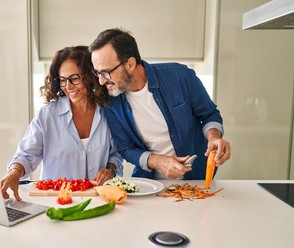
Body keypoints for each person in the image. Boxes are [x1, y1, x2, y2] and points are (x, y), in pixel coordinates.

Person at [89, 28, 231, 180]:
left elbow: (209, 114)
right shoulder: (111, 102)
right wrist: (158, 162)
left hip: (198, 178)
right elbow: (127, 149)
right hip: (149, 183)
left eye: (106, 72)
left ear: (130, 64)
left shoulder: (180, 76)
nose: (101, 81)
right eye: (97, 73)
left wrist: (214, 138)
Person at [0, 46, 123, 200]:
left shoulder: (107, 112)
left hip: (99, 199)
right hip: (56, 201)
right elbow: (26, 155)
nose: (68, 86)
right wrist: (14, 173)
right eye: (63, 80)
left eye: (74, 78)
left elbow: (116, 153)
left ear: (91, 76)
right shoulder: (47, 116)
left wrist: (110, 170)